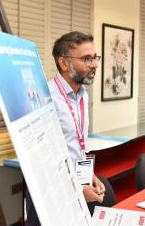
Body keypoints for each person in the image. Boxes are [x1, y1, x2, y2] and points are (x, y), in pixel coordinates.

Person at [26, 31, 105, 225]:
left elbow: (76, 146)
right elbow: (43, 160)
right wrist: (77, 188)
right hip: (52, 196)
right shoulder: (45, 97)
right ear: (64, 63)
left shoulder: (82, 95)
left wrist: (89, 177)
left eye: (95, 58)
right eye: (87, 59)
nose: (94, 64)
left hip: (75, 190)